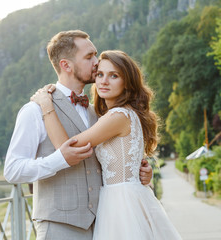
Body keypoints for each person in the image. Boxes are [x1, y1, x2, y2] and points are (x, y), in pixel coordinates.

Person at [4, 30, 153, 240]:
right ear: (66, 65)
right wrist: (58, 160)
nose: (97, 62)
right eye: (89, 56)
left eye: (96, 54)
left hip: (105, 225)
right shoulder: (36, 109)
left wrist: (140, 171)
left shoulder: (99, 113)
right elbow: (12, 170)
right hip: (59, 228)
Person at [31, 49, 182, 239]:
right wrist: (144, 171)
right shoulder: (119, 114)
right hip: (123, 198)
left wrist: (46, 106)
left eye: (114, 76)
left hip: (121, 203)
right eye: (100, 74)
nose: (103, 81)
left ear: (127, 82)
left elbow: (67, 147)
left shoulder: (118, 116)